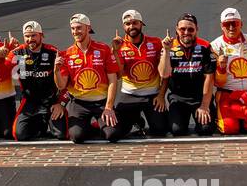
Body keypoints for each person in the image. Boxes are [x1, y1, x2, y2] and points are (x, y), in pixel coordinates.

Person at [55, 13, 119, 143]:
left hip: (101, 102)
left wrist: (109, 107)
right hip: (78, 102)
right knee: (77, 137)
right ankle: (88, 127)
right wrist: (56, 70)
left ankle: (101, 125)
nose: (75, 32)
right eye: (73, 29)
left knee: (112, 135)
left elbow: (113, 80)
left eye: (79, 28)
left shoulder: (104, 49)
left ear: (88, 28)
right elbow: (61, 86)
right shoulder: (66, 54)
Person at [109, 9, 171, 139]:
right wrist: (115, 51)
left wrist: (161, 95)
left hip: (152, 95)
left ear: (141, 24)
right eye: (127, 24)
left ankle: (140, 116)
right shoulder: (119, 45)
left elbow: (165, 74)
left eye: (135, 23)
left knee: (161, 130)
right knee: (115, 133)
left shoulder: (155, 43)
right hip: (129, 94)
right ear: (123, 26)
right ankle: (136, 119)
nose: (131, 26)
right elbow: (119, 75)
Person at [209, 7, 247, 134]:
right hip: (227, 94)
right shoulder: (214, 46)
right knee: (229, 129)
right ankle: (233, 118)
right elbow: (217, 83)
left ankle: (245, 117)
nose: (231, 27)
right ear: (222, 26)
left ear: (241, 24)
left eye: (235, 23)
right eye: (227, 24)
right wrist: (221, 68)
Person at [158, 13, 215, 137]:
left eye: (190, 29)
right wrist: (167, 51)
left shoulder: (205, 46)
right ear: (177, 30)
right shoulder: (168, 47)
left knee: (206, 129)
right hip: (178, 98)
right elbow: (164, 74)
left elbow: (209, 78)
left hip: (200, 97)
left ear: (196, 30)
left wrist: (205, 105)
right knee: (177, 130)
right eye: (182, 29)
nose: (186, 32)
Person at [10, 21, 62, 141]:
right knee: (19, 135)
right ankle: (40, 123)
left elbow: (66, 80)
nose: (30, 39)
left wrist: (60, 102)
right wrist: (2, 54)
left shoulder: (53, 52)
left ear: (41, 36)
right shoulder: (17, 52)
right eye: (27, 36)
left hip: (51, 101)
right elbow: (2, 68)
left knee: (62, 134)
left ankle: (46, 119)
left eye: (34, 35)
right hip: (29, 101)